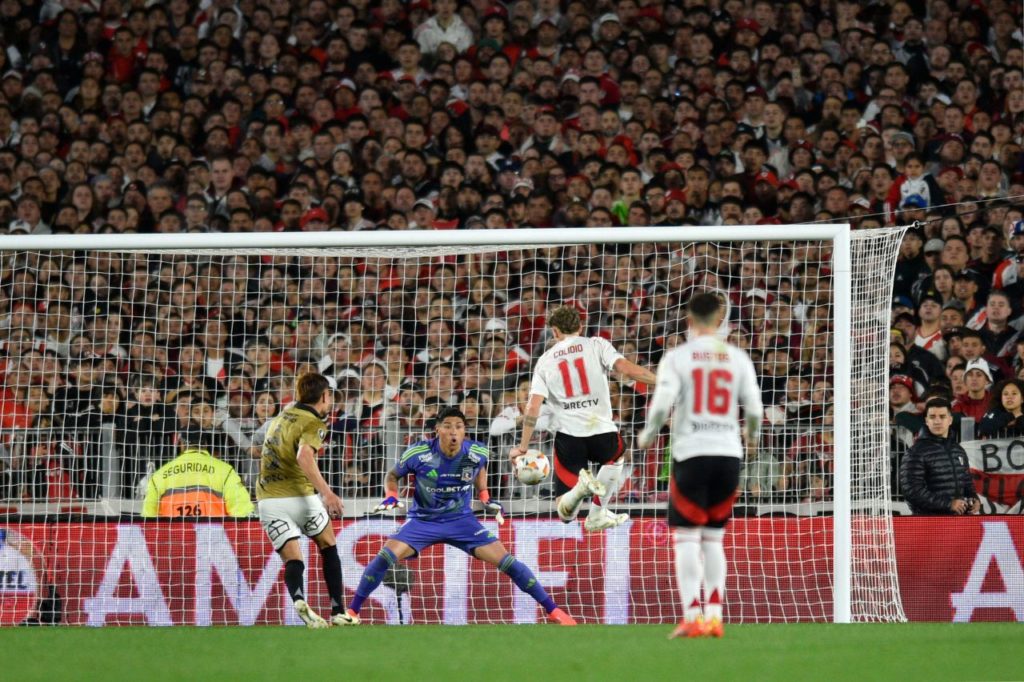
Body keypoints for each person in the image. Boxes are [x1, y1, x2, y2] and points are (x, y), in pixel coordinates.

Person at [347, 406, 576, 625]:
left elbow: (480, 469)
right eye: (447, 426)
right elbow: (392, 475)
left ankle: (553, 610)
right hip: (423, 521)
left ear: (464, 430)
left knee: (509, 562)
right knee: (383, 558)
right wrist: (391, 496)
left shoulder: (477, 452)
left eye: (458, 426)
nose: (453, 431)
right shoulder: (419, 453)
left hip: (461, 522)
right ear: (438, 429)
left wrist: (485, 496)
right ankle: (352, 611)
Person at [636, 292, 763, 639]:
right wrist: (751, 438)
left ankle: (692, 614)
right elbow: (754, 408)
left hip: (691, 452)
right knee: (714, 539)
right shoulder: (736, 357)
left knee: (687, 539)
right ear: (720, 320)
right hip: (728, 454)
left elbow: (662, 402)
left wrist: (648, 434)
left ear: (689, 321)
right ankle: (715, 615)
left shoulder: (678, 357)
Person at [510, 305, 657, 531]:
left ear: (555, 332)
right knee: (617, 457)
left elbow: (532, 407)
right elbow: (626, 369)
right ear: (580, 326)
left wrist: (522, 447)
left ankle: (581, 490)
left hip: (569, 438)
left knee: (565, 514)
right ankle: (597, 513)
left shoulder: (545, 360)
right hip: (602, 432)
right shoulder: (596, 344)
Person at [256, 372, 356, 628]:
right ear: (324, 396)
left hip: (268, 499)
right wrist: (327, 492)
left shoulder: (282, 416)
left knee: (293, 559)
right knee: (328, 546)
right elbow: (304, 456)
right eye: (330, 395)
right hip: (300, 497)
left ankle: (299, 599)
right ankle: (338, 611)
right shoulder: (314, 422)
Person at [141, 422, 254, 519]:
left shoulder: (160, 474)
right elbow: (242, 511)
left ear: (181, 444)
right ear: (205, 444)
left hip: (173, 540)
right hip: (213, 540)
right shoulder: (225, 471)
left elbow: (148, 516)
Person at [899, 397, 981, 515]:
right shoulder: (915, 452)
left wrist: (974, 498)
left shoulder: (958, 450)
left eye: (942, 417)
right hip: (929, 523)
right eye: (932, 417)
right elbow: (912, 491)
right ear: (926, 421)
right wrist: (949, 504)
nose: (937, 421)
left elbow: (967, 483)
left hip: (958, 522)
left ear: (950, 420)